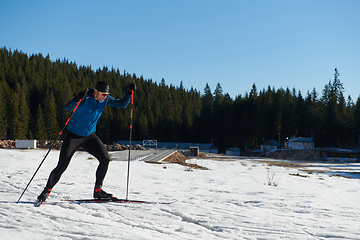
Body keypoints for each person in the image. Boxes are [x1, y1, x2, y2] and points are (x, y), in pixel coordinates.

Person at [37, 80, 136, 202]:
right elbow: (67, 107)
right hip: (73, 136)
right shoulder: (84, 98)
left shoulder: (105, 99)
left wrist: (129, 93)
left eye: (107, 94)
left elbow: (122, 104)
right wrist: (77, 99)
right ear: (96, 91)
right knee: (62, 165)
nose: (105, 97)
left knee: (105, 160)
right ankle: (46, 191)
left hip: (89, 136)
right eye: (103, 94)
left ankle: (98, 191)